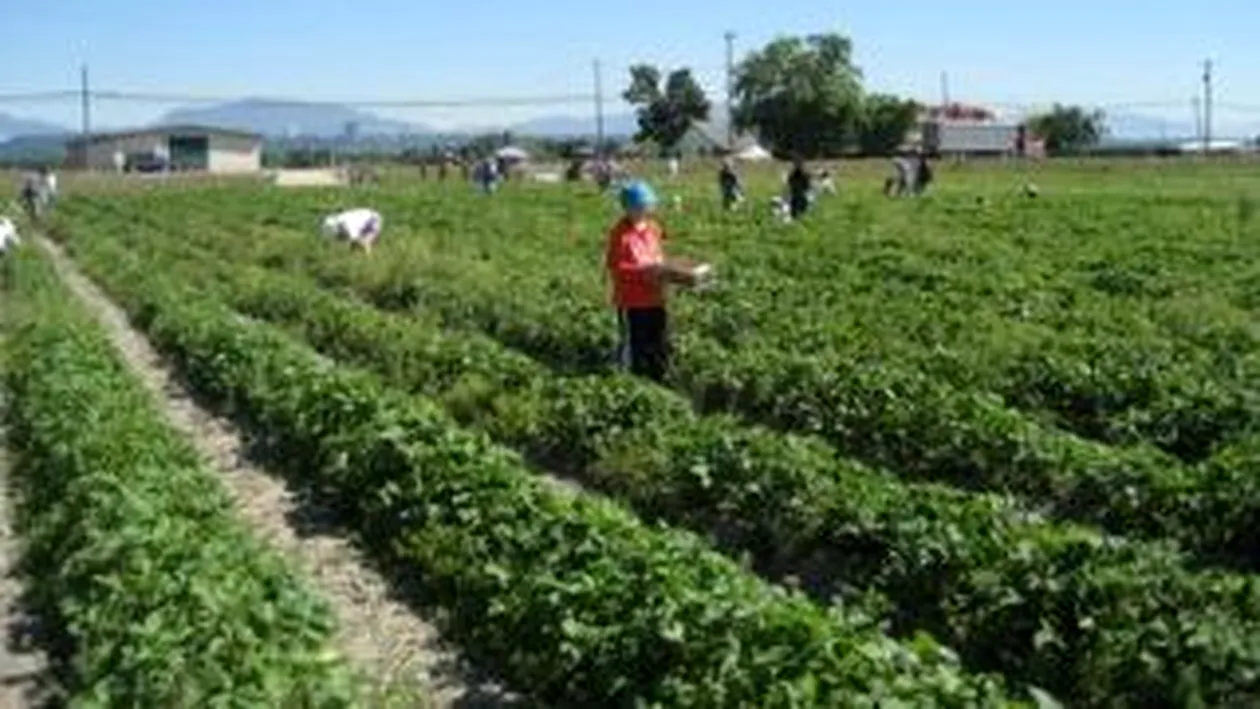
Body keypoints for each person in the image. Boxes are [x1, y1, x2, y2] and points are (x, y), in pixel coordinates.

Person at [605, 181, 673, 383]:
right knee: (635, 342)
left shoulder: (653, 228)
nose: (644, 211)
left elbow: (658, 255)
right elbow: (616, 268)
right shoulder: (620, 234)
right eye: (639, 207)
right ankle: (632, 380)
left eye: (647, 206)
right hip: (632, 301)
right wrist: (644, 271)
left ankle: (658, 378)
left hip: (656, 298)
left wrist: (668, 271)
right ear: (628, 207)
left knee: (659, 340)